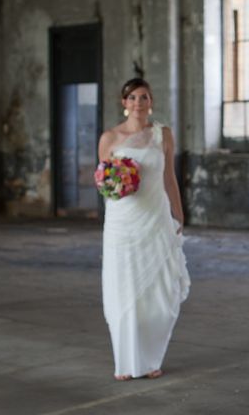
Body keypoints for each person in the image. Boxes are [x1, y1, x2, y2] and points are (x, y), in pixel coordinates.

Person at [98, 78, 190, 381]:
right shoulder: (109, 138)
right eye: (133, 98)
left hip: (155, 216)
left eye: (144, 97)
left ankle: (152, 358)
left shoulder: (162, 134)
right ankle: (124, 362)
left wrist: (178, 212)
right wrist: (117, 182)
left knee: (160, 291)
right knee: (123, 290)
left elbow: (169, 178)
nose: (139, 102)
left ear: (151, 102)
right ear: (124, 103)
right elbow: (103, 180)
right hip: (123, 221)